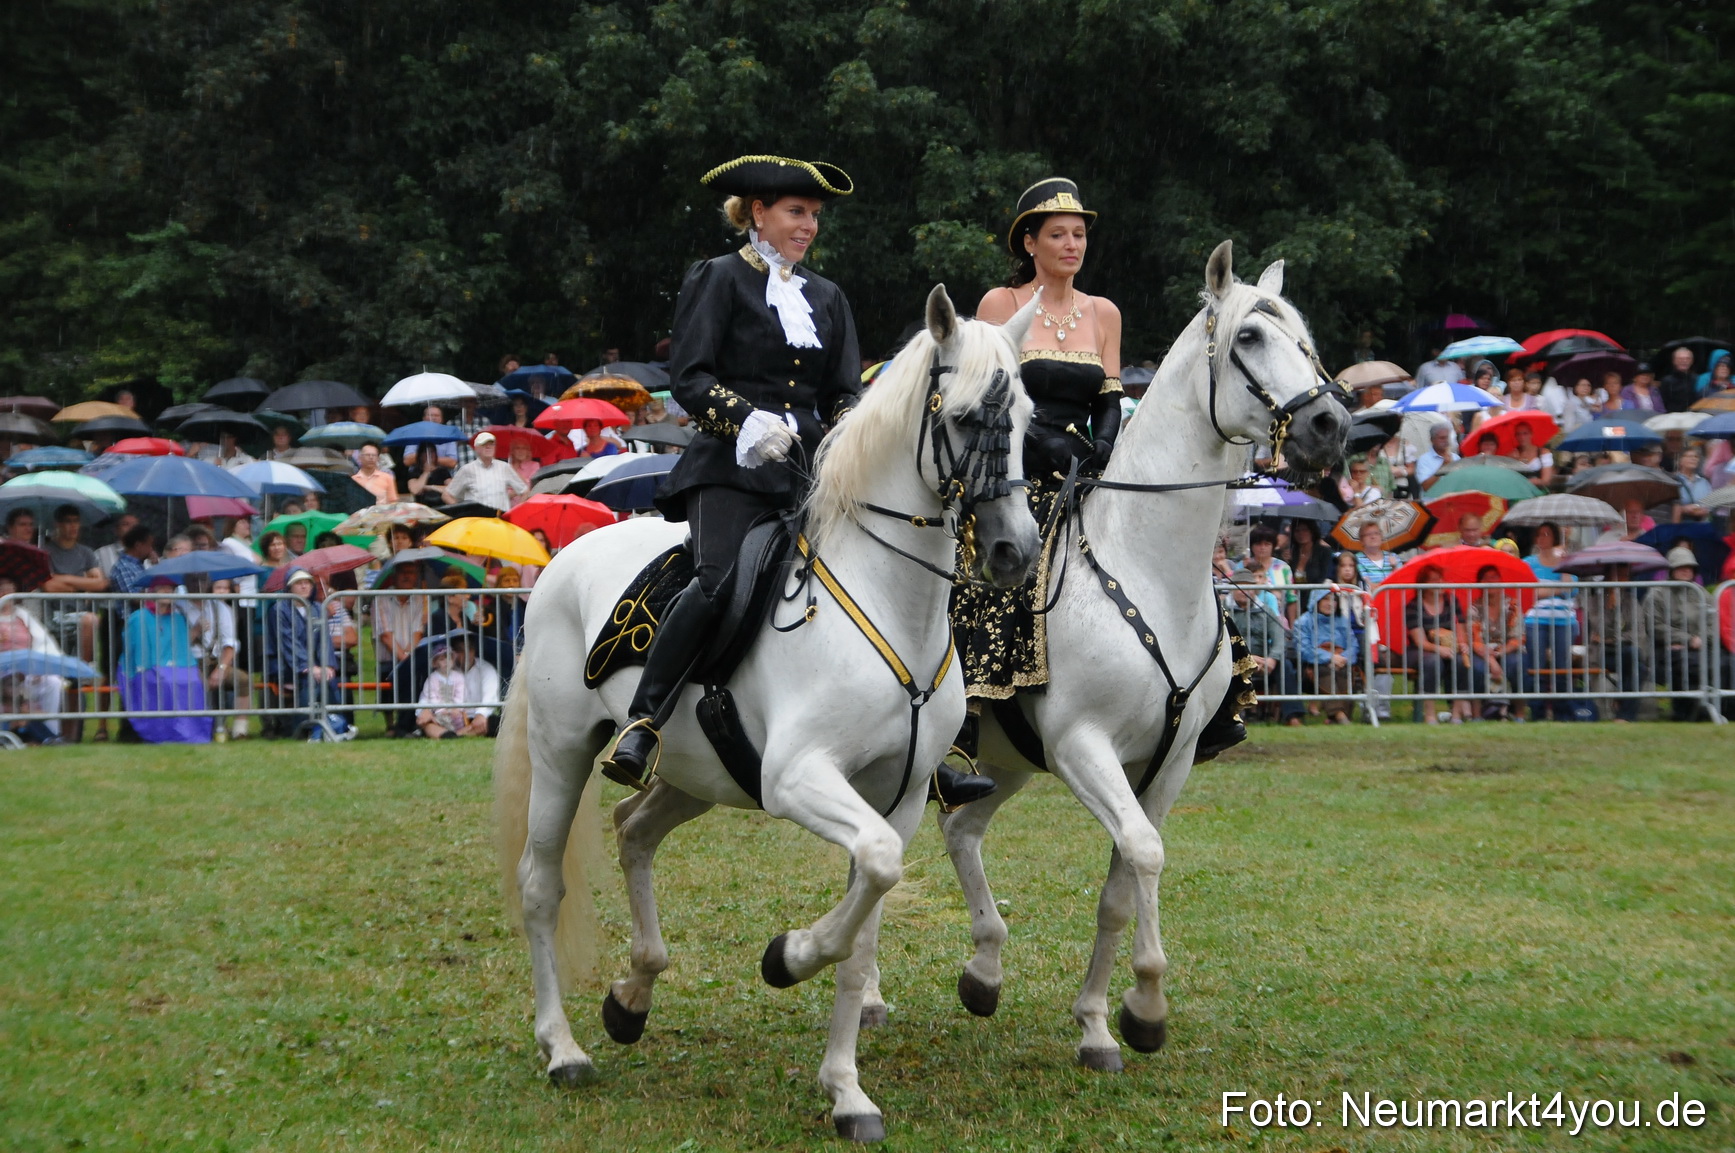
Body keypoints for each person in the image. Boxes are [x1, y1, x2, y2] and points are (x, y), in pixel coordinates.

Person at [602, 154, 864, 792]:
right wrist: (746, 419)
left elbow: (844, 394)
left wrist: (851, 433)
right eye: (797, 213)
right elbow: (689, 377)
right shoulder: (718, 278)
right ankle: (643, 720)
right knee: (720, 581)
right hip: (729, 464)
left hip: (810, 469)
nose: (808, 227)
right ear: (758, 213)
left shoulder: (827, 297)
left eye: (815, 217)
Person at [266, 569, 351, 739]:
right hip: (285, 666)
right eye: (299, 582)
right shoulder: (279, 610)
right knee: (311, 680)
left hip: (314, 664)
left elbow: (324, 640)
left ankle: (336, 725)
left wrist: (327, 665)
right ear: (290, 588)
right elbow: (287, 643)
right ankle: (304, 728)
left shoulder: (318, 608)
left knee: (331, 678)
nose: (304, 585)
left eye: (307, 582)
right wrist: (307, 667)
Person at [1404, 564, 1480, 723]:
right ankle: (1430, 714)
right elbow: (1420, 641)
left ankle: (1456, 714)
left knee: (1461, 662)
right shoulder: (1413, 606)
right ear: (1424, 584)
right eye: (1433, 580)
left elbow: (1460, 626)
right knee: (1432, 662)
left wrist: (1463, 644)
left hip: (1449, 646)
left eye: (1440, 578)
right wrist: (1439, 649)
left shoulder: (1451, 600)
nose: (1439, 582)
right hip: (1421, 649)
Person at [182, 576, 253, 739]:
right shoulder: (178, 606)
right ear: (185, 583)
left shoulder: (220, 607)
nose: (198, 584)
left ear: (208, 583)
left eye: (201, 580)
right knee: (197, 683)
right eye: (193, 580)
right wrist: (194, 632)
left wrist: (221, 669)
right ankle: (200, 729)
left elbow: (230, 643)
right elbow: (174, 645)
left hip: (215, 661)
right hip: (187, 663)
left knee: (243, 680)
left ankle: (240, 731)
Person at [1650, 546, 1707, 720]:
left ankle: (1716, 711)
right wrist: (1687, 640)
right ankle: (1684, 713)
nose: (1686, 571)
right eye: (1681, 567)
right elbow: (1655, 625)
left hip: (1700, 648)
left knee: (1725, 664)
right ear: (1672, 569)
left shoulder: (1701, 594)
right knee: (1688, 663)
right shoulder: (1657, 594)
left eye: (1689, 567)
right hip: (1664, 650)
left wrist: (1702, 640)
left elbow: (1713, 622)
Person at [1582, 561, 1644, 722]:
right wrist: (1612, 608)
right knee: (1635, 658)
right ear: (1609, 576)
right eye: (1619, 575)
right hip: (1600, 652)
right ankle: (1624, 711)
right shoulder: (1594, 601)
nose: (1622, 580)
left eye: (1625, 576)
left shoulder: (1631, 601)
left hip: (1625, 650)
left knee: (1637, 663)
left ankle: (1623, 714)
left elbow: (1637, 632)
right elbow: (1598, 628)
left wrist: (1612, 639)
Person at [1290, 588, 1359, 724]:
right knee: (1325, 670)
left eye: (1333, 600)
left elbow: (1353, 645)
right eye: (1325, 599)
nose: (1330, 603)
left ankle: (1338, 716)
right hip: (1312, 667)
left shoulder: (1343, 621)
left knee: (1348, 673)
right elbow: (1303, 649)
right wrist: (1328, 657)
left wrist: (1343, 658)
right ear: (1316, 601)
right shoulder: (1303, 622)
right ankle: (1339, 715)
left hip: (1341, 662)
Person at [1467, 564, 1524, 719]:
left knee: (1517, 664)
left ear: (1501, 580)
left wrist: (1501, 651)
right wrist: (1491, 660)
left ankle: (1520, 713)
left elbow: (1518, 637)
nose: (1490, 581)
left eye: (1494, 577)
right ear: (1479, 583)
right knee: (1476, 669)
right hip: (1481, 650)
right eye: (1485, 578)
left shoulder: (1513, 605)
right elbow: (1474, 639)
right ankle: (1477, 715)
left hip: (1508, 648)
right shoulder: (1474, 608)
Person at [444, 432, 529, 512]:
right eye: (484, 444)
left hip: (500, 520)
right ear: (477, 448)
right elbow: (447, 495)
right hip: (477, 522)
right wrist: (462, 515)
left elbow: (525, 491)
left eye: (491, 444)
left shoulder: (504, 467)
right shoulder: (467, 470)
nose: (488, 447)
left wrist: (514, 513)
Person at [415, 643, 475, 738]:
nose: (446, 662)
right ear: (435, 663)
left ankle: (458, 733)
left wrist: (456, 708)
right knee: (435, 720)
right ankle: (440, 732)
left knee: (459, 719)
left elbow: (461, 694)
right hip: (438, 711)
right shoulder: (432, 678)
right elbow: (431, 696)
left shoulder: (458, 677)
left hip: (455, 710)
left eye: (448, 658)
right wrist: (441, 709)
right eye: (441, 659)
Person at [406, 404, 459, 471]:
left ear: (441, 419)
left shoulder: (449, 437)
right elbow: (407, 460)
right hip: (418, 476)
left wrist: (427, 458)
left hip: (441, 476)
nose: (433, 418)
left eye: (436, 415)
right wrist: (440, 460)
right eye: (430, 415)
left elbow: (452, 462)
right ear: (424, 418)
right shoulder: (414, 435)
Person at [108, 524, 156, 594]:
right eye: (149, 545)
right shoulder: (123, 567)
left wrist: (156, 566)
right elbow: (133, 597)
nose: (151, 549)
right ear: (138, 545)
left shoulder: (140, 565)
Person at [1415, 423, 1457, 489]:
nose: (1446, 441)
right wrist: (1443, 467)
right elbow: (1426, 487)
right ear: (1432, 440)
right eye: (1442, 438)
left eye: (1447, 437)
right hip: (1432, 499)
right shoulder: (1424, 460)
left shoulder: (1456, 458)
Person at [1675, 446, 1711, 521]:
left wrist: (1705, 510)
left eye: (1696, 457)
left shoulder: (1704, 482)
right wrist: (1683, 509)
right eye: (1690, 456)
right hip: (1681, 524)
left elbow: (1711, 503)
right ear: (1680, 460)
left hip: (1701, 525)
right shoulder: (1673, 480)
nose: (1693, 459)